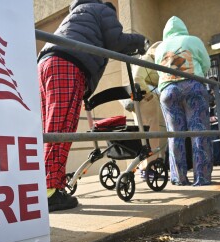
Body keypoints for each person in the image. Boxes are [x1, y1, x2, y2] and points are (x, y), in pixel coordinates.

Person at [37, 0, 149, 212]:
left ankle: (48, 186)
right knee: (60, 129)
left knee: (49, 128)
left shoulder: (75, 14)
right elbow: (116, 41)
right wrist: (142, 41)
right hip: (67, 63)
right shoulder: (102, 9)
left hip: (45, 63)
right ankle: (50, 192)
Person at [154, 16, 212, 186]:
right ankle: (202, 178)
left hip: (168, 90)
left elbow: (158, 70)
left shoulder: (160, 48)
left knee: (175, 135)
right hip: (193, 86)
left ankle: (179, 178)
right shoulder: (193, 40)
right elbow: (206, 64)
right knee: (199, 132)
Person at [121, 41, 167, 179]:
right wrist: (149, 94)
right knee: (151, 134)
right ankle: (149, 168)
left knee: (153, 134)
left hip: (148, 101)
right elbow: (136, 78)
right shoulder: (147, 59)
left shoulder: (154, 61)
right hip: (146, 101)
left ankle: (150, 167)